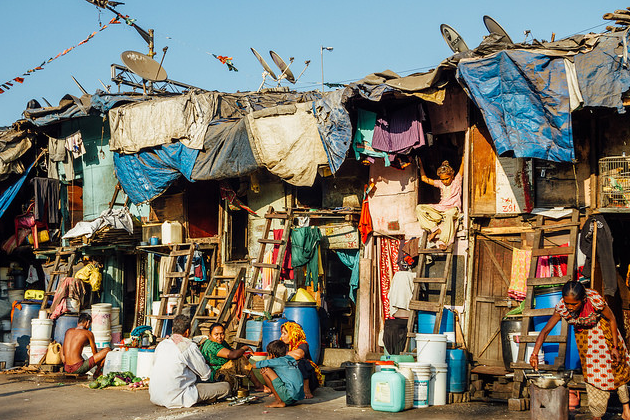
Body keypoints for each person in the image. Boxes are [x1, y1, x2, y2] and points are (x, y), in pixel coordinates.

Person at [530, 281, 630, 420]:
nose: (570, 307)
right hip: (585, 339)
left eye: (574, 304)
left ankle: (626, 409)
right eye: (567, 303)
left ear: (583, 300)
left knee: (617, 368)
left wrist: (614, 347)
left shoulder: (594, 301)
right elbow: (545, 331)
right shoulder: (562, 308)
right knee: (593, 374)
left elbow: (612, 319)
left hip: (605, 331)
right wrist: (534, 354)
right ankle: (597, 415)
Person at [149, 315, 231, 409]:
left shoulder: (161, 344)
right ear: (187, 331)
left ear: (172, 329)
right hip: (177, 397)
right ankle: (205, 399)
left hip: (156, 396)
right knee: (225, 387)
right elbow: (206, 375)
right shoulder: (188, 346)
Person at [199, 322, 265, 392]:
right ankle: (258, 385)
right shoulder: (213, 346)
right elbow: (233, 355)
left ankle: (257, 385)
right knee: (240, 359)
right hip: (214, 374)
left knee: (241, 358)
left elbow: (232, 351)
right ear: (210, 335)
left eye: (222, 334)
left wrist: (242, 354)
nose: (220, 337)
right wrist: (244, 348)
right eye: (216, 334)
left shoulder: (220, 342)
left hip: (219, 369)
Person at [416, 159, 464, 250]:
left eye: (447, 179)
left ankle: (443, 241)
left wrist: (464, 153)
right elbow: (424, 179)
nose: (445, 181)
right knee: (419, 208)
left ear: (452, 176)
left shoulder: (457, 181)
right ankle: (434, 229)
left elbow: (463, 164)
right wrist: (421, 164)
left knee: (449, 215)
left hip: (453, 209)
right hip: (441, 209)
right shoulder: (440, 183)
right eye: (442, 179)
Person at [253, 339, 304, 408]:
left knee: (266, 370)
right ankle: (282, 399)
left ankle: (279, 401)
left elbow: (255, 365)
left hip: (288, 396)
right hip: (298, 397)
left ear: (272, 354)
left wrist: (268, 359)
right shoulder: (290, 358)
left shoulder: (276, 361)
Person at [280, 321, 323, 399]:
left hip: (309, 379)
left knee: (300, 362)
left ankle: (306, 390)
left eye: (284, 334)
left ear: (293, 334)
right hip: (293, 379)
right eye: (282, 333)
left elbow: (299, 355)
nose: (281, 336)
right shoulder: (284, 346)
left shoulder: (302, 344)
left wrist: (282, 354)